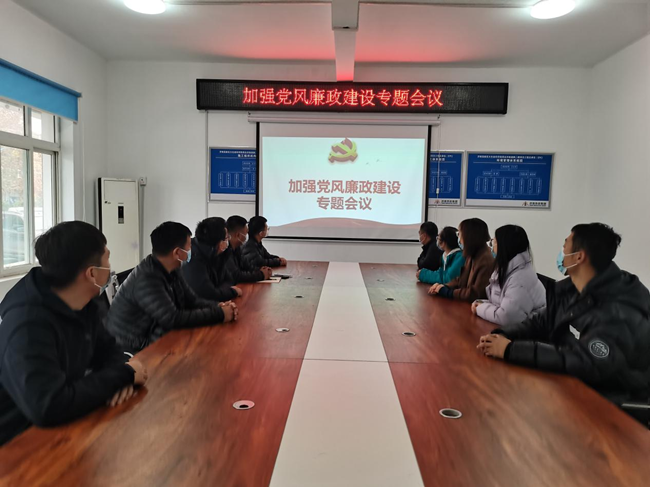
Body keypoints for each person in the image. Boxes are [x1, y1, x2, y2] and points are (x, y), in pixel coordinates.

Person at [478, 223, 650, 420]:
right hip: (572, 386)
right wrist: (502, 335)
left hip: (612, 404)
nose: (561, 252)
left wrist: (510, 350)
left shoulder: (618, 311)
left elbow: (584, 361)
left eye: (565, 245)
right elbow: (541, 322)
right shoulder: (573, 289)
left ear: (579, 257)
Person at [0, 221, 148, 446]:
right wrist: (124, 375)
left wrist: (121, 376)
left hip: (65, 428)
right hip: (17, 443)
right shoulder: (27, 325)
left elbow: (109, 350)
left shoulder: (82, 303)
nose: (110, 266)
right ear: (91, 273)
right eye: (107, 258)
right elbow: (49, 405)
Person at [105, 221, 237, 353]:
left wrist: (218, 306)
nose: (191, 251)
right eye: (189, 247)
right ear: (177, 253)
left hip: (156, 333)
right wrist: (220, 314)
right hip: (132, 347)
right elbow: (173, 318)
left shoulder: (172, 269)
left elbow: (192, 301)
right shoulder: (147, 278)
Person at [472, 225, 546, 327]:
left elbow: (507, 317)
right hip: (518, 329)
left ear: (504, 246)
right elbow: (502, 304)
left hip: (532, 332)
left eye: (494, 242)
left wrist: (480, 308)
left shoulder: (520, 279)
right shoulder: (508, 270)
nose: (491, 247)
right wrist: (482, 304)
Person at [429, 218, 493, 302]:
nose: (458, 238)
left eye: (459, 234)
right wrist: (445, 286)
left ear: (469, 236)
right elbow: (461, 279)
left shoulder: (485, 260)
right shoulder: (471, 255)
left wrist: (448, 292)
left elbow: (475, 293)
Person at [182, 217, 242, 302]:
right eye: (227, 237)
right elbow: (208, 294)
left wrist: (219, 290)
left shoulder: (217, 254)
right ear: (219, 242)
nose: (229, 240)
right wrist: (232, 292)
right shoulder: (193, 258)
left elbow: (229, 279)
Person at [224, 216, 273, 283]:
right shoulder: (225, 251)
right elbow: (237, 276)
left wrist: (261, 270)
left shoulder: (237, 249)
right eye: (246, 234)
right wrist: (261, 275)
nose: (247, 236)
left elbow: (247, 266)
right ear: (238, 235)